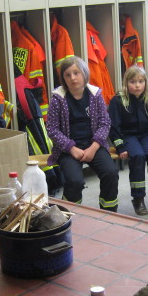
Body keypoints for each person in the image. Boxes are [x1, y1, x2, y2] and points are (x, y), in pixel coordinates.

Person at [46, 56, 119, 211]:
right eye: (68, 75)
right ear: (63, 79)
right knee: (75, 181)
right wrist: (71, 148)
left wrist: (94, 147)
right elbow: (52, 129)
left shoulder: (95, 95)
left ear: (84, 74)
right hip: (67, 150)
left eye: (76, 73)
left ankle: (109, 212)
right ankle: (68, 213)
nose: (72, 78)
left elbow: (105, 122)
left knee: (111, 173)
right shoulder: (57, 99)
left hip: (94, 145)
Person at [109, 66, 148, 215]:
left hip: (146, 135)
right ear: (126, 83)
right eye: (133, 82)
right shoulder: (118, 100)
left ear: (146, 82)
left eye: (141, 81)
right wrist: (120, 147)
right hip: (128, 136)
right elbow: (114, 127)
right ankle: (138, 199)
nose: (137, 85)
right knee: (138, 156)